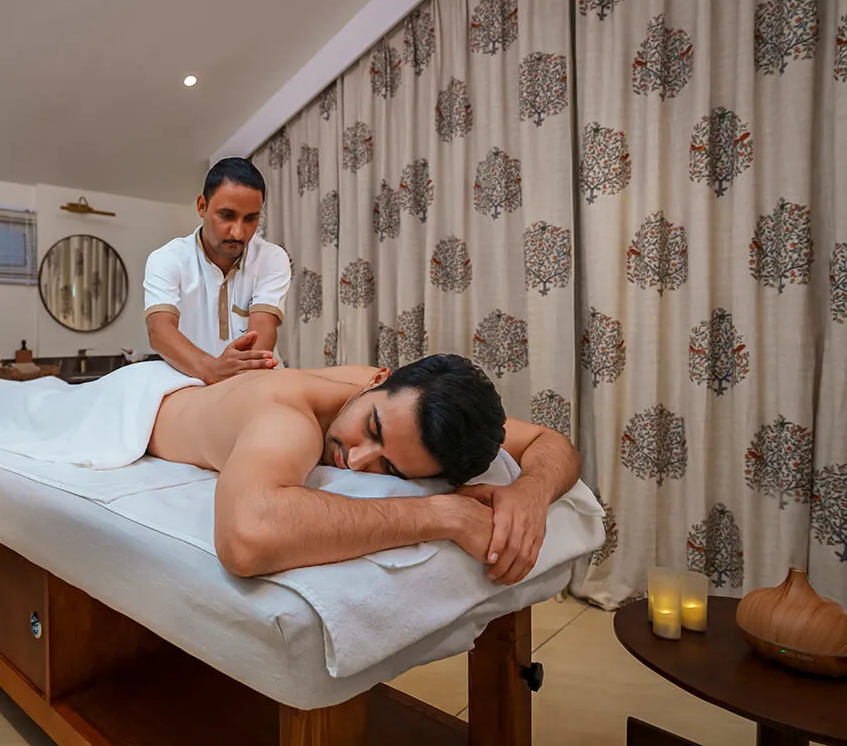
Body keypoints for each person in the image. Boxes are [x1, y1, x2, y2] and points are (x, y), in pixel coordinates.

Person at [146, 354, 582, 584]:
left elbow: (551, 441)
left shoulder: (407, 406)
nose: (355, 460)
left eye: (389, 467)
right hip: (145, 398)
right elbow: (245, 538)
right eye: (372, 428)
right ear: (375, 380)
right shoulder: (288, 419)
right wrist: (442, 514)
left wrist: (531, 492)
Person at [144, 157, 292, 384]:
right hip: (194, 381)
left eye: (251, 219)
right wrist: (212, 370)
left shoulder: (271, 258)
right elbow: (159, 331)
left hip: (255, 381)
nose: (238, 233)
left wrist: (232, 382)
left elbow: (262, 332)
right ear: (202, 206)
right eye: (227, 215)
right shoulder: (167, 259)